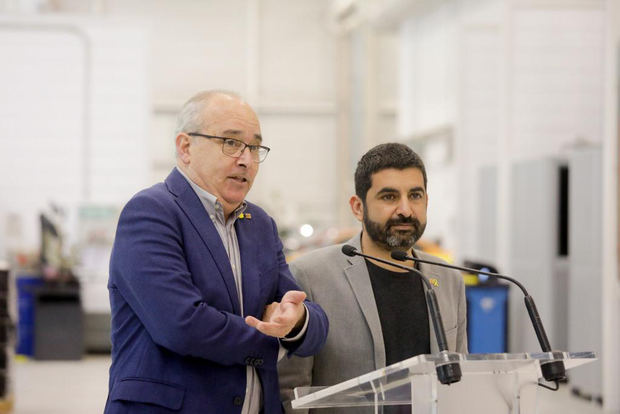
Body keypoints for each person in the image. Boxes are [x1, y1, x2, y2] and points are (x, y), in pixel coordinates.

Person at [105, 90, 328, 414]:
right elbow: (182, 326)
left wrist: (295, 321)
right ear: (185, 147)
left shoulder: (260, 224)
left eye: (254, 147)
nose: (246, 159)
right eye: (231, 142)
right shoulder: (151, 213)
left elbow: (307, 314)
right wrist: (275, 341)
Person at [278, 143, 467, 414]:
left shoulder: (448, 278)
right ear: (358, 207)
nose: (405, 210)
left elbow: (458, 382)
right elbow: (290, 392)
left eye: (415, 195)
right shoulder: (311, 275)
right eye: (389, 197)